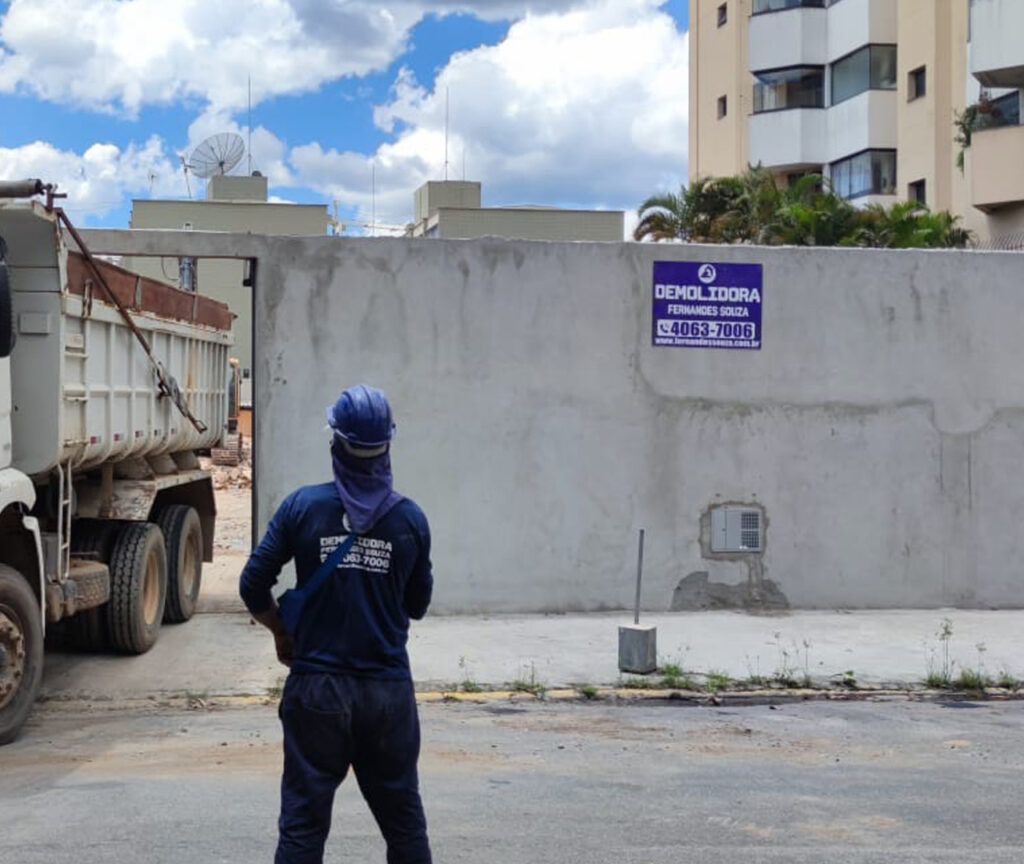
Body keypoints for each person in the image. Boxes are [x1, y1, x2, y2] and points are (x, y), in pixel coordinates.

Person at [239, 384, 433, 864]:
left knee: (303, 829)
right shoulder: (410, 521)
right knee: (405, 826)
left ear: (336, 444)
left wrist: (280, 631)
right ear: (386, 447)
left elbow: (252, 583)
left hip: (318, 692)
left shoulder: (303, 508)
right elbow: (418, 604)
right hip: (387, 695)